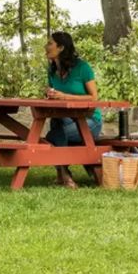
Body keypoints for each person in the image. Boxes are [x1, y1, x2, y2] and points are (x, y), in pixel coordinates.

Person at [44, 31, 101, 189]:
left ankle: (63, 174)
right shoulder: (52, 71)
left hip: (90, 121)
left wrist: (64, 96)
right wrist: (50, 94)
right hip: (65, 119)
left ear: (61, 47)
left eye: (50, 43)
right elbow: (55, 93)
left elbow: (94, 98)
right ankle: (64, 174)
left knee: (53, 136)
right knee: (57, 123)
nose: (46, 47)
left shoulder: (82, 68)